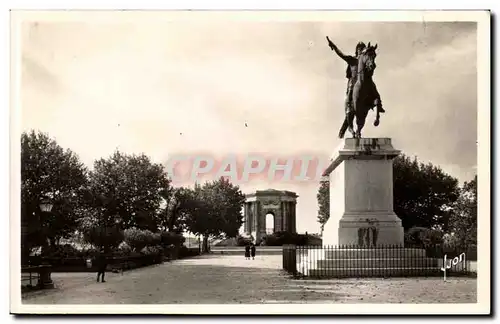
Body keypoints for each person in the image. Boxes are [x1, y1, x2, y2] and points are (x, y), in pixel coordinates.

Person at [326, 37, 385, 116]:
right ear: (357, 50)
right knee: (351, 90)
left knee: (373, 86)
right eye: (359, 49)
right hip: (353, 82)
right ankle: (349, 108)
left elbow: (370, 68)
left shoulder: (365, 60)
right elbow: (341, 54)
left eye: (362, 48)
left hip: (364, 81)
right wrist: (333, 46)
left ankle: (379, 105)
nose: (360, 50)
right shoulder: (352, 59)